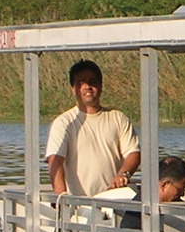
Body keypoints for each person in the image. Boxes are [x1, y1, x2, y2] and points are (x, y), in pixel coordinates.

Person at [46, 60, 140, 197]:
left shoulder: (118, 118)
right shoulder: (63, 123)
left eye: (92, 82)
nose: (87, 87)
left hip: (114, 201)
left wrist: (122, 174)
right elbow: (55, 160)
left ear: (100, 86)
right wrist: (61, 198)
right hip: (81, 207)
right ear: (73, 89)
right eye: (80, 83)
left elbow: (133, 153)